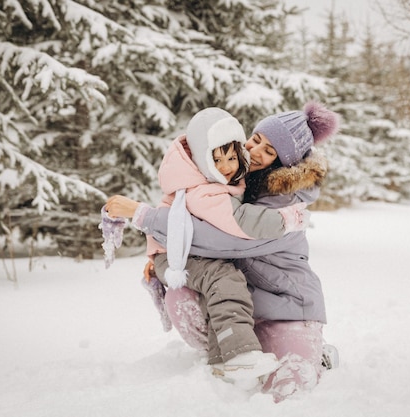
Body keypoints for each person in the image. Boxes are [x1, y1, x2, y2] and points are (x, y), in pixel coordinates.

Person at [106, 101, 340, 401]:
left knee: (286, 391)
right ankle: (230, 352)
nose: (255, 151)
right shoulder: (235, 178)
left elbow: (223, 240)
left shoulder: (286, 205)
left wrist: (145, 217)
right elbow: (190, 209)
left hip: (287, 308)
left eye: (269, 151)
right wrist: (165, 255)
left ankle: (314, 354)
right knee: (181, 290)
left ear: (284, 164)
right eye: (255, 140)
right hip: (243, 303)